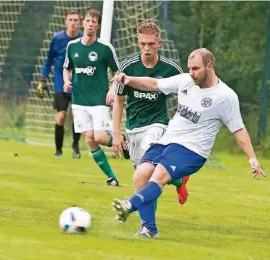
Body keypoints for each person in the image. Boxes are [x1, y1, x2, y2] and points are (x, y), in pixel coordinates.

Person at [111, 48, 266, 238]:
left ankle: (129, 205)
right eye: (189, 68)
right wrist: (129, 80)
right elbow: (153, 84)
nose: (191, 73)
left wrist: (252, 157)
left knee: (159, 175)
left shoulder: (225, 96)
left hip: (193, 149)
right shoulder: (186, 81)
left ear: (210, 67)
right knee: (140, 176)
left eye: (196, 69)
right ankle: (149, 229)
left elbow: (239, 129)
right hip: (168, 140)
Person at [112, 20, 189, 207]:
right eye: (143, 44)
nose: (147, 48)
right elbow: (119, 101)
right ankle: (179, 180)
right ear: (138, 43)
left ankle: (143, 221)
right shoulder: (128, 67)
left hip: (158, 124)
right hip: (133, 128)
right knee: (145, 174)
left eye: (151, 44)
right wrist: (116, 134)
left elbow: (187, 97)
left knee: (146, 172)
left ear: (159, 44)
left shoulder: (170, 70)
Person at [63, 8, 129, 186]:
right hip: (79, 101)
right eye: (88, 21)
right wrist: (66, 81)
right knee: (89, 138)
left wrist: (112, 90)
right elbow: (66, 67)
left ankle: (122, 141)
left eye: (94, 22)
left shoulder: (105, 48)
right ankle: (111, 177)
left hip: (99, 100)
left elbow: (118, 72)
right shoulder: (72, 46)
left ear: (98, 25)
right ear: (83, 23)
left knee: (99, 137)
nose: (90, 25)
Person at [38, 10, 83, 159]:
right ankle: (58, 150)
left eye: (76, 20)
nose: (73, 23)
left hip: (78, 84)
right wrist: (42, 79)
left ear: (80, 22)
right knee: (61, 116)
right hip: (60, 83)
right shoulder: (57, 39)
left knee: (77, 116)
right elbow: (49, 59)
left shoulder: (84, 38)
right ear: (66, 21)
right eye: (70, 19)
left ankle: (75, 147)